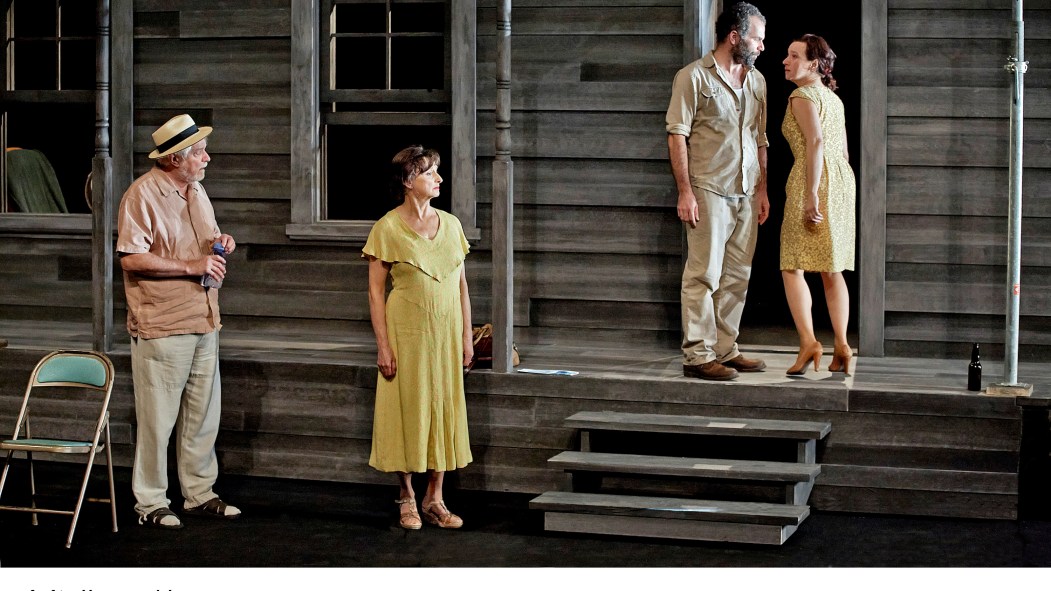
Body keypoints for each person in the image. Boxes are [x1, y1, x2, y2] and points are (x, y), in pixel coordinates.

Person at [116, 114, 240, 529]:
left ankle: (199, 493)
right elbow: (131, 258)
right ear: (174, 159)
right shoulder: (142, 195)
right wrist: (192, 266)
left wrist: (221, 242)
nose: (207, 158)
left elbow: (205, 242)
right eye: (199, 153)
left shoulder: (197, 190)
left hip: (204, 317)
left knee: (203, 415)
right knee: (158, 419)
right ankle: (151, 502)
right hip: (163, 321)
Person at [363, 145, 474, 530]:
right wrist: (383, 346)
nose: (439, 179)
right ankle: (407, 495)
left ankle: (435, 497)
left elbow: (462, 287)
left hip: (445, 332)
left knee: (442, 406)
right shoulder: (387, 228)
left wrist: (467, 336)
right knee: (407, 408)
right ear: (409, 181)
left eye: (437, 171)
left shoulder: (452, 225)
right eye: (429, 173)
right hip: (407, 333)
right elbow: (375, 292)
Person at [666, 2, 770, 381]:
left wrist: (763, 190)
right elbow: (677, 135)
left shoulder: (757, 82)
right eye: (757, 39)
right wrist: (685, 192)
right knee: (704, 275)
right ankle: (698, 355)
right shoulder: (692, 77)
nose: (761, 46)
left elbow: (760, 139)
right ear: (734, 36)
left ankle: (726, 349)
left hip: (747, 191)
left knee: (737, 276)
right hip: (709, 189)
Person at [779, 34, 856, 376]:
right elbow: (844, 153)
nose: (786, 60)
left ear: (813, 64)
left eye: (794, 56)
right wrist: (836, 192)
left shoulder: (802, 95)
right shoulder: (833, 99)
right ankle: (842, 345)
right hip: (841, 181)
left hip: (813, 180)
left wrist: (811, 193)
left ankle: (809, 342)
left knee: (791, 265)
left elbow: (815, 141)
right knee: (831, 267)